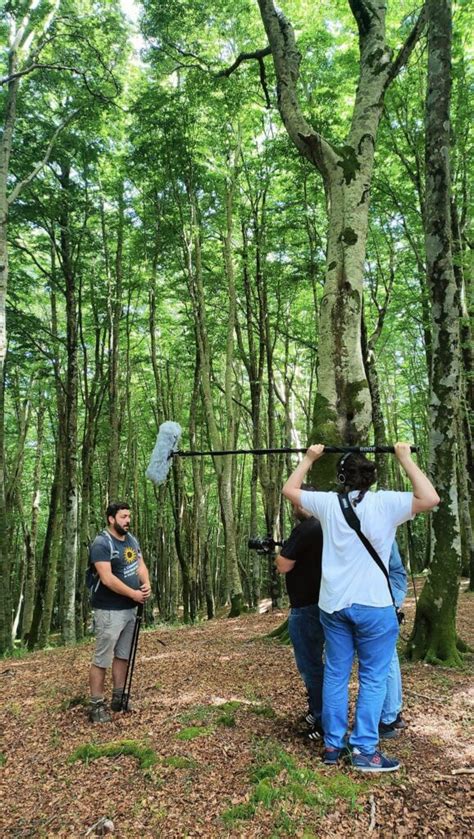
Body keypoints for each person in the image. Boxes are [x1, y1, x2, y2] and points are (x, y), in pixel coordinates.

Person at [282, 442, 439, 773]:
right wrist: (405, 459)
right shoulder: (386, 503)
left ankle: (332, 744)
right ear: (370, 478)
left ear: (342, 479)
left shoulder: (327, 503)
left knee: (336, 674)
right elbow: (430, 498)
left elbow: (290, 489)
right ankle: (365, 749)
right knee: (373, 677)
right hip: (375, 607)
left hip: (334, 607)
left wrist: (309, 459)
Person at [88, 502, 151, 723]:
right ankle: (96, 704)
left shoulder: (131, 540)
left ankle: (119, 697)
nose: (128, 520)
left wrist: (146, 584)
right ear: (111, 519)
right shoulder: (101, 543)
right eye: (123, 517)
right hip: (109, 610)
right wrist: (133, 594)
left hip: (130, 609)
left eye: (129, 516)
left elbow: (140, 565)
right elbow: (107, 578)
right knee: (102, 657)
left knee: (123, 654)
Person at [275, 488, 324, 740]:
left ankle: (322, 719)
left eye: (296, 503)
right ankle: (318, 713)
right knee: (326, 665)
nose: (294, 508)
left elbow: (282, 565)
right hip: (326, 603)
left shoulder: (306, 529)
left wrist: (279, 554)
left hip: (306, 606)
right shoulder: (328, 526)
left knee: (310, 665)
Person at [379, 540, 408, 738]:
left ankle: (388, 718)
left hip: (387, 592)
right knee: (390, 656)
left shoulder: (375, 517)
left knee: (385, 657)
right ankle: (393, 713)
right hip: (392, 590)